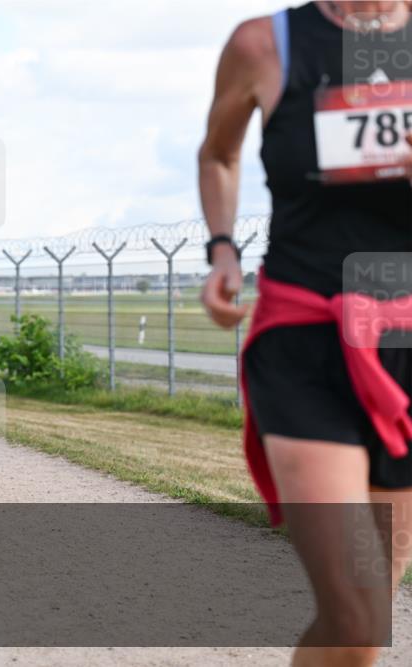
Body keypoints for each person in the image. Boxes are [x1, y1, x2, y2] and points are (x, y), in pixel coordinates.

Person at [198, 2, 412, 664]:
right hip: (305, 337)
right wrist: (224, 250)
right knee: (357, 614)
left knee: (370, 611)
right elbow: (219, 154)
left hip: (404, 341)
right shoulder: (265, 43)